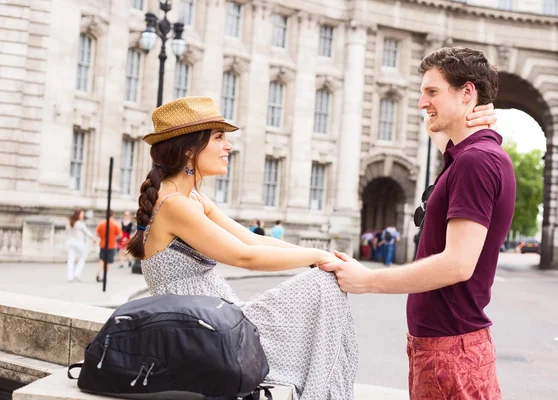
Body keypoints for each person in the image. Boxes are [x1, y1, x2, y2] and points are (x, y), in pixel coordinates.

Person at [126, 96, 357, 399]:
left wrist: (322, 257)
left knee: (325, 284)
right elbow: (244, 256)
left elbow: (254, 240)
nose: (228, 146)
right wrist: (316, 257)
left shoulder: (193, 199)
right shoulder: (172, 204)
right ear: (188, 149)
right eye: (219, 137)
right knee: (324, 286)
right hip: (206, 335)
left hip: (221, 323)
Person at [319, 47, 509, 400]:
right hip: (446, 345)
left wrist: (368, 280)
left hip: (450, 350)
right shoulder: (467, 156)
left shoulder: (476, 162)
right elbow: (436, 129)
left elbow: (457, 264)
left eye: (432, 92)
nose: (422, 102)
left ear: (467, 92)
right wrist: (471, 112)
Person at [65, 209, 97, 282]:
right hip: (79, 242)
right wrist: (93, 238)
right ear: (78, 215)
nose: (82, 216)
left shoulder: (69, 222)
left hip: (70, 242)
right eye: (81, 214)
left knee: (71, 259)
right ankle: (77, 273)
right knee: (83, 257)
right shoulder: (80, 223)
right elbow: (87, 232)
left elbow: (66, 232)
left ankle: (70, 277)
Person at [95, 210, 122, 282]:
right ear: (113, 215)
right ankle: (104, 276)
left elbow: (97, 233)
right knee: (107, 261)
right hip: (111, 245)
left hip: (103, 244)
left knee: (102, 259)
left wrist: (102, 237)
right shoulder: (115, 224)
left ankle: (99, 272)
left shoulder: (101, 223)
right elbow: (120, 235)